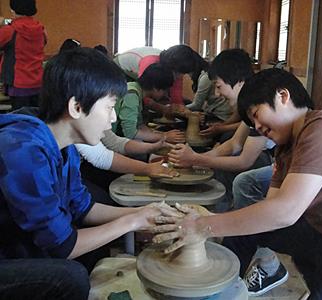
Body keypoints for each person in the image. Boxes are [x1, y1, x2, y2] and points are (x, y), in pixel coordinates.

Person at [153, 68, 322, 299]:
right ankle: (221, 291)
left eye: (257, 115)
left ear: (282, 96)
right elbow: (270, 210)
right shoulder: (285, 148)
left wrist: (205, 226)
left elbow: (286, 212)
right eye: (252, 124)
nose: (258, 128)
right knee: (244, 230)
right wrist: (211, 219)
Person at [0, 47, 178, 299]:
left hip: (17, 240)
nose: (112, 118)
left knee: (93, 246)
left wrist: (142, 212)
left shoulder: (66, 145)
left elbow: (83, 208)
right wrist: (131, 222)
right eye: (109, 107)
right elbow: (63, 246)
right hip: (6, 252)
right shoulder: (22, 148)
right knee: (69, 278)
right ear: (76, 106)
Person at [168, 49, 273, 212]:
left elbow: (245, 161)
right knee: (222, 155)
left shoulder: (261, 102)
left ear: (238, 81)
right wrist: (197, 158)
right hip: (272, 160)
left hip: (278, 163)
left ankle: (226, 220)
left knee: (240, 178)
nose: (217, 93)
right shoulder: (250, 102)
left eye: (219, 86)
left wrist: (196, 160)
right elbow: (234, 144)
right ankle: (217, 213)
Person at [112, 62, 185, 144]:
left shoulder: (136, 89)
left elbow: (139, 125)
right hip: (109, 139)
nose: (165, 94)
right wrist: (164, 136)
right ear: (155, 87)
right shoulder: (132, 94)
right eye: (164, 90)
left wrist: (160, 134)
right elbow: (130, 133)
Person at [0, 0, 47, 110]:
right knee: (36, 116)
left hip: (18, 83)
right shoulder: (41, 29)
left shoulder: (9, 30)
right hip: (38, 82)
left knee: (20, 120)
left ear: (13, 10)